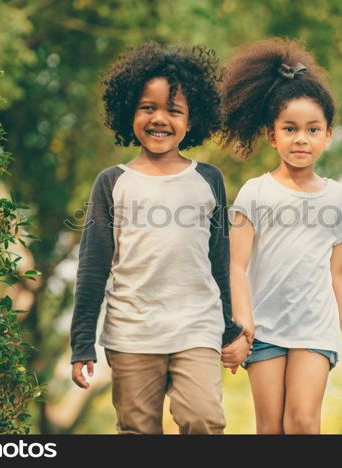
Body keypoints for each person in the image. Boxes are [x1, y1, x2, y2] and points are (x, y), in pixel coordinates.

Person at [69, 42, 246, 434]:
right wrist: (82, 342)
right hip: (132, 333)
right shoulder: (112, 182)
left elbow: (219, 259)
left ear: (191, 119)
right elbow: (92, 267)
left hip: (196, 328)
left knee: (204, 420)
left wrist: (229, 328)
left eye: (174, 110)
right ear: (128, 112)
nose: (159, 118)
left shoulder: (208, 179)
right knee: (137, 431)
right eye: (147, 107)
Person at [219, 38, 342, 434]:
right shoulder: (255, 191)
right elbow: (236, 264)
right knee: (270, 429)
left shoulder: (336, 196)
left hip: (313, 328)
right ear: (272, 135)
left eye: (312, 129)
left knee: (302, 423)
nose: (301, 138)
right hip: (262, 329)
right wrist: (243, 324)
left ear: (328, 135)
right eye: (290, 129)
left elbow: (340, 277)